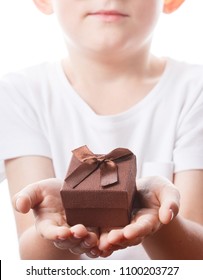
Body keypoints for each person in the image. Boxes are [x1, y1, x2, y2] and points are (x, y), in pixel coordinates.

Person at [0, 0, 203, 260]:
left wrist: (161, 221)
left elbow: (196, 259)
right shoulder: (19, 95)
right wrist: (59, 223)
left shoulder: (195, 91)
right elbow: (35, 260)